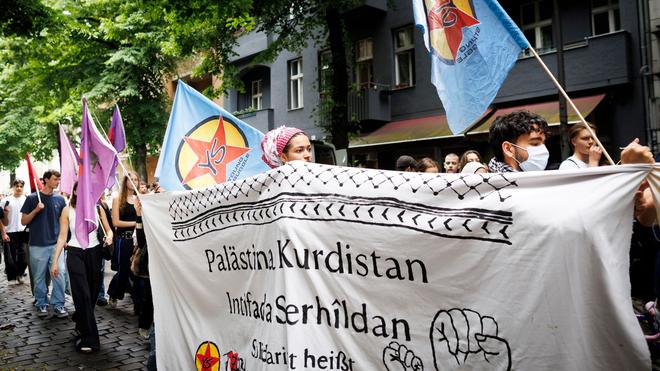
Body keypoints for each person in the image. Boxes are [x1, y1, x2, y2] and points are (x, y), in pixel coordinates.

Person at [51, 182, 112, 353]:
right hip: (75, 253)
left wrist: (110, 237)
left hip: (95, 253)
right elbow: (62, 237)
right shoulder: (66, 210)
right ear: (75, 190)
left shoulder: (97, 208)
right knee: (82, 295)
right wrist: (55, 261)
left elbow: (109, 230)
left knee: (92, 295)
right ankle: (90, 339)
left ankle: (80, 319)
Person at [20, 170, 67, 317]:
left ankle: (58, 304)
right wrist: (35, 210)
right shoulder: (32, 198)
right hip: (37, 245)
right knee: (39, 277)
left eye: (59, 179)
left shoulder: (60, 200)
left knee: (59, 274)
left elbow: (64, 223)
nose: (57, 182)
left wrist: (65, 240)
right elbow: (23, 221)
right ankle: (41, 303)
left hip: (55, 245)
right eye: (55, 179)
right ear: (46, 180)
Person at [107, 171, 139, 310]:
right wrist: (135, 223)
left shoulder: (141, 199)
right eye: (130, 179)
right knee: (124, 270)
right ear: (125, 182)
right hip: (124, 239)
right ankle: (113, 293)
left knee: (137, 271)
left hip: (139, 240)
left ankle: (138, 302)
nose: (133, 182)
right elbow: (116, 222)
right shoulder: (117, 199)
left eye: (136, 179)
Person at [2, 180, 28, 284]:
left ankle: (20, 273)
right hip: (10, 231)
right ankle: (12, 276)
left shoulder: (27, 199)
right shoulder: (5, 201)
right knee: (11, 255)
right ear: (13, 187)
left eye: (21, 186)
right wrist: (3, 233)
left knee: (24, 255)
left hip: (24, 231)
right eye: (17, 186)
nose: (19, 188)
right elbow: (0, 219)